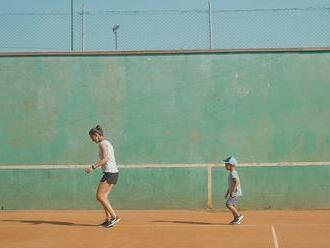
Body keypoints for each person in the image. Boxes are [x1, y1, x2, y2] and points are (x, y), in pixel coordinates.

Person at [84, 125, 120, 228]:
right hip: (113, 173)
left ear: (97, 135)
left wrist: (92, 167)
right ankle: (108, 219)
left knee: (99, 196)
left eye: (92, 138)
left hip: (110, 173)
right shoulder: (107, 143)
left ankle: (114, 217)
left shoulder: (102, 144)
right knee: (104, 197)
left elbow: (105, 159)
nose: (92, 140)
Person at [224, 156, 244, 225]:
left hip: (236, 193)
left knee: (228, 204)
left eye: (226, 164)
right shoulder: (231, 173)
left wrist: (233, 192)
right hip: (235, 192)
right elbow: (231, 184)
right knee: (231, 205)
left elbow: (236, 182)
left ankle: (238, 216)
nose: (225, 166)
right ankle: (236, 219)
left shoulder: (233, 173)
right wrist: (227, 192)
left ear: (231, 165)